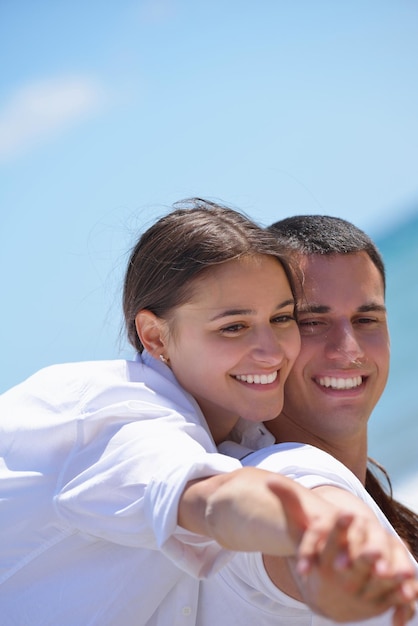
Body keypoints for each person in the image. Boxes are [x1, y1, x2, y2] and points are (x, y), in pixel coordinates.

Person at [0, 201, 415, 626]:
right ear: (154, 336)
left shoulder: (237, 437)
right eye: (233, 327)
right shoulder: (116, 410)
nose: (271, 350)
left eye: (282, 318)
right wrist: (313, 533)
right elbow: (211, 497)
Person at [198, 214, 418, 625]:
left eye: (366, 319)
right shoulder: (274, 475)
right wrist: (348, 558)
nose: (348, 350)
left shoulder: (373, 496)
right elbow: (300, 519)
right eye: (311, 323)